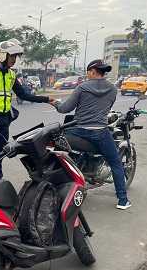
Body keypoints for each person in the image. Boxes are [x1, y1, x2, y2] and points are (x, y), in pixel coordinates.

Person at [0, 38, 56, 182]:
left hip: (4, 119)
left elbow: (24, 95)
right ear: (3, 55)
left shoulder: (11, 75)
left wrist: (46, 99)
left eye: (15, 56)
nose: (14, 59)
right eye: (12, 56)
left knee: (0, 150)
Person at [53, 59, 131, 210]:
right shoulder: (113, 89)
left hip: (77, 131)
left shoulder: (82, 88)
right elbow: (107, 107)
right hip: (99, 133)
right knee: (115, 163)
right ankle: (122, 200)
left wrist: (55, 103)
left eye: (89, 72)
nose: (88, 74)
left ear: (93, 71)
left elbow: (65, 109)